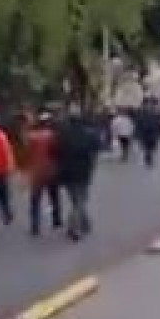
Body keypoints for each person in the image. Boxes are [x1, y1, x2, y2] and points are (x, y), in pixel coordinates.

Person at [56, 103, 100, 242]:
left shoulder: (62, 134)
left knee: (76, 200)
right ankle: (74, 228)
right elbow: (96, 151)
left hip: (67, 172)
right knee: (80, 200)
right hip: (83, 171)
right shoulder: (89, 133)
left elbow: (55, 152)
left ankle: (85, 223)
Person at [25, 111, 62, 236]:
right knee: (54, 197)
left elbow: (27, 154)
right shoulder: (53, 136)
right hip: (51, 170)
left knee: (35, 200)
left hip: (36, 172)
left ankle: (35, 225)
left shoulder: (31, 137)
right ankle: (56, 220)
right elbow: (57, 153)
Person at [135, 98, 160, 169]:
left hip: (153, 132)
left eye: (148, 104)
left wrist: (159, 132)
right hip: (144, 133)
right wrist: (137, 134)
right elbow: (138, 123)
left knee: (152, 147)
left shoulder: (155, 112)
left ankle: (149, 156)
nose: (148, 105)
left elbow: (159, 122)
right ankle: (148, 157)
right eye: (146, 104)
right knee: (146, 147)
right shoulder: (140, 112)